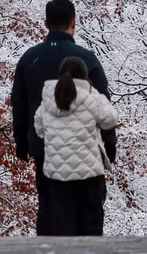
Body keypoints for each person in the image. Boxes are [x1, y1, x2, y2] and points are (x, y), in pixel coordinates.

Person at [11, 0, 115, 235]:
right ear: (73, 23)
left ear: (46, 23)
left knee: (49, 210)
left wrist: (22, 145)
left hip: (46, 148)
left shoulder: (30, 58)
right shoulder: (87, 59)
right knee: (89, 213)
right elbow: (104, 106)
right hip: (86, 150)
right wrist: (109, 146)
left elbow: (19, 103)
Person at [33, 57, 121, 236]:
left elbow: (39, 130)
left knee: (62, 230)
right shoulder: (92, 97)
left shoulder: (48, 100)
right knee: (91, 227)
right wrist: (96, 93)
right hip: (89, 175)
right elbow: (111, 119)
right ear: (84, 76)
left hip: (57, 177)